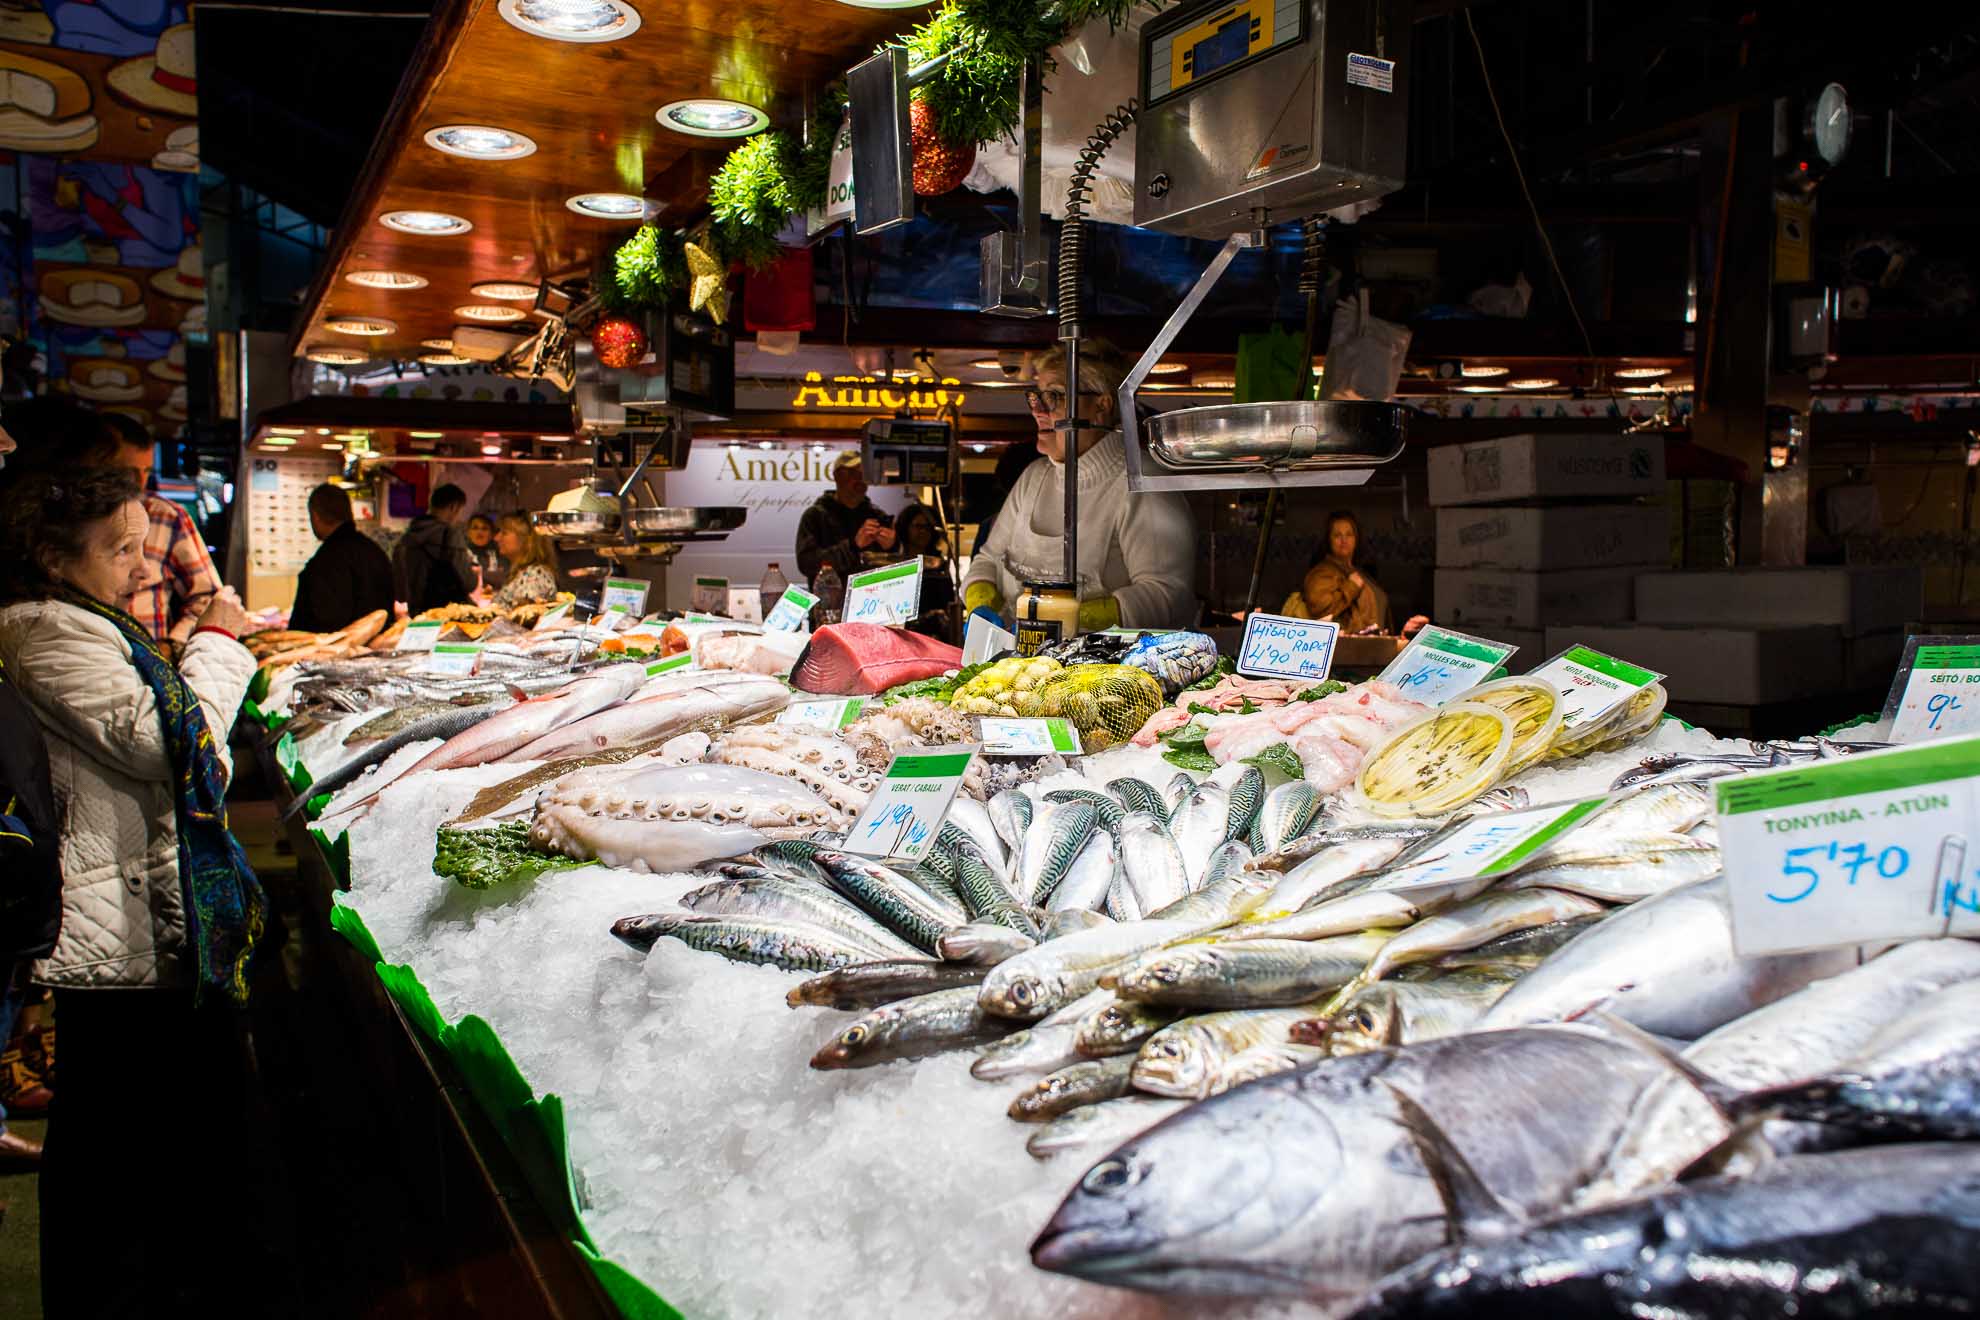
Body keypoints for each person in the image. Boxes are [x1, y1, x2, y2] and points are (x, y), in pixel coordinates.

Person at [0, 466, 293, 1313]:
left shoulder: (83, 619)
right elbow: (183, 756)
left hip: (141, 921)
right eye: (119, 549)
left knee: (150, 1149)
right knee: (118, 1157)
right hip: (117, 939)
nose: (143, 567)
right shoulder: (46, 631)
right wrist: (219, 642)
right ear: (53, 558)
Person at [962, 341, 1197, 631]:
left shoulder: (1142, 481)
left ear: (1102, 404)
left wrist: (1069, 621)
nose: (1038, 410)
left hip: (1108, 670)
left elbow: (1168, 595)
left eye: (1055, 397)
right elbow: (988, 560)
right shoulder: (1034, 477)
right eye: (1037, 397)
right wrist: (980, 600)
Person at [101, 412, 224, 646]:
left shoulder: (167, 516)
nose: (139, 482)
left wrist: (173, 643)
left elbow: (207, 596)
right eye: (127, 471)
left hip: (153, 661)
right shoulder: (74, 522)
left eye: (146, 471)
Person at [288, 483, 395, 633]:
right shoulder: (374, 551)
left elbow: (323, 621)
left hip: (336, 651)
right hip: (379, 648)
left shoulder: (325, 561)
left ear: (316, 516)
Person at [796, 451, 896, 586]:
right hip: (829, 603)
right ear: (837, 476)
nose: (860, 479)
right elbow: (807, 564)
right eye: (853, 473)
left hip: (873, 601)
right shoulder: (815, 516)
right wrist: (852, 547)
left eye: (864, 474)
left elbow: (895, 570)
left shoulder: (878, 516)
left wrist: (893, 548)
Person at [1292, 510, 1393, 632]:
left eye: (1349, 534)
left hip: (1372, 644)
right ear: (1329, 540)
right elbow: (1318, 608)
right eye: (1337, 535)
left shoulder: (1360, 573)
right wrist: (1351, 587)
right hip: (1345, 647)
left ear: (1356, 539)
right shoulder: (1321, 573)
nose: (1344, 540)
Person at [393, 481, 477, 614]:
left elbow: (400, 594)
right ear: (453, 507)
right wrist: (474, 575)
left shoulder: (405, 539)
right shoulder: (450, 535)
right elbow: (468, 583)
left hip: (418, 615)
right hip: (448, 615)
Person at [894, 502, 957, 640]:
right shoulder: (895, 562)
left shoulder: (939, 565)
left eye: (928, 527)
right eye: (918, 526)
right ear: (905, 528)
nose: (923, 531)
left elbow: (947, 602)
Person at [477, 511, 559, 609]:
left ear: (527, 540)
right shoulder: (522, 571)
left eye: (504, 533)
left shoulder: (536, 574)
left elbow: (524, 619)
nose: (496, 538)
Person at [464, 512, 503, 591]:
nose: (479, 532)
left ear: (491, 534)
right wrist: (492, 576)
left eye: (484, 528)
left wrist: (477, 574)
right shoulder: (462, 553)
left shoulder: (500, 551)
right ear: (468, 532)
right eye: (475, 528)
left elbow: (504, 578)